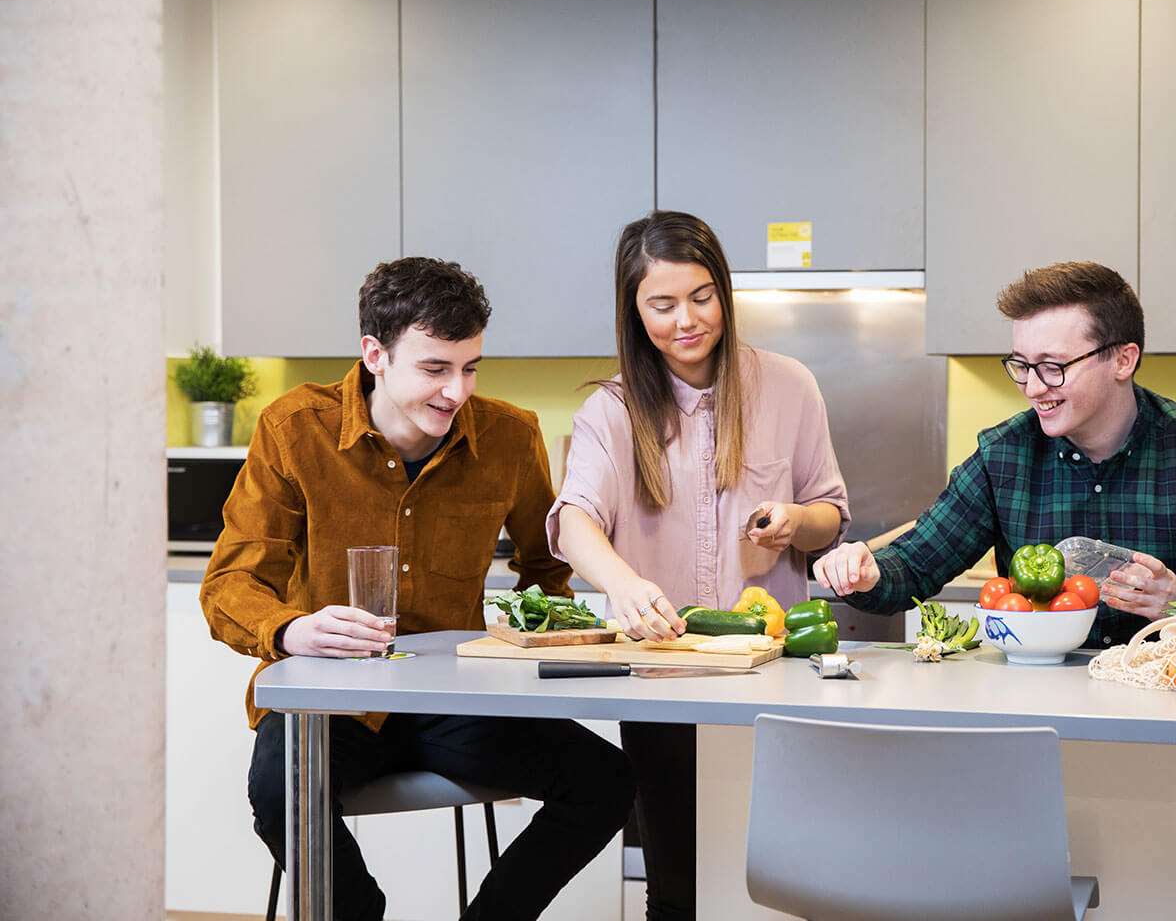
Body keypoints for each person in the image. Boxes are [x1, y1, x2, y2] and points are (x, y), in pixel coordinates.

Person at [200, 257, 634, 921]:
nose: (456, 391)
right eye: (435, 369)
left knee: (608, 782)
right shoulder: (294, 429)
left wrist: (534, 637)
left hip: (450, 701)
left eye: (470, 368)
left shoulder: (510, 437)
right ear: (375, 354)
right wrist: (293, 630)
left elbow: (547, 571)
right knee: (279, 794)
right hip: (330, 699)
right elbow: (231, 582)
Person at [548, 210, 849, 919]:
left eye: (702, 296)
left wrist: (796, 524)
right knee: (677, 886)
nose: (687, 319)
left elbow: (830, 512)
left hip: (772, 677)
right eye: (662, 303)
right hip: (662, 679)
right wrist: (622, 582)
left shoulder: (789, 385)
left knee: (785, 882)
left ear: (725, 292)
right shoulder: (611, 411)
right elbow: (573, 520)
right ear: (633, 309)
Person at [814, 260, 1176, 649]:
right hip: (1037, 701)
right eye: (1021, 366)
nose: (1034, 388)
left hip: (1173, 701)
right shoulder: (1003, 457)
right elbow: (915, 566)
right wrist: (866, 573)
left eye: (1053, 367)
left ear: (1123, 359)